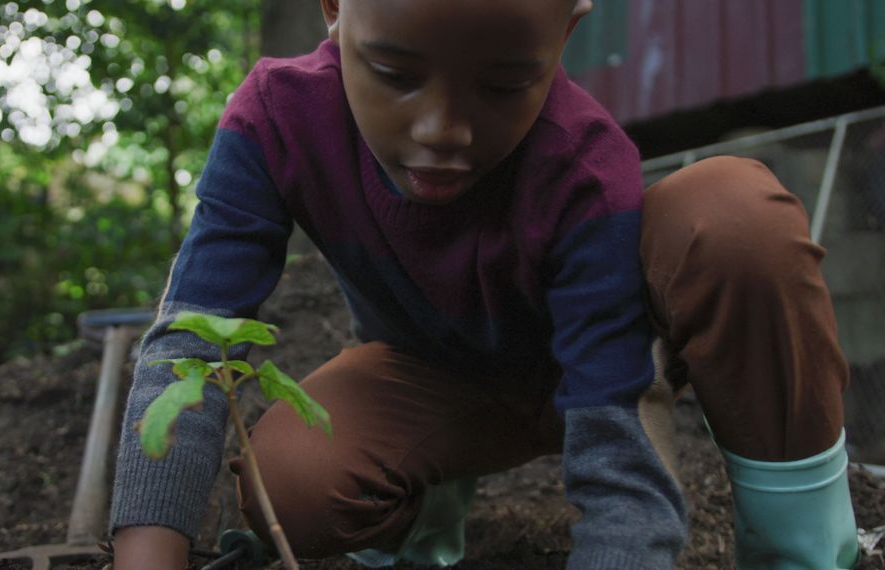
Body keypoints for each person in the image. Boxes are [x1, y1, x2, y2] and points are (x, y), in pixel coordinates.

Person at [108, 0, 860, 568]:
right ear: (334, 8)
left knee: (731, 216)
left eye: (503, 85)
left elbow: (619, 443)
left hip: (609, 370)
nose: (443, 130)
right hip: (432, 374)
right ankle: (425, 529)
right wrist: (147, 551)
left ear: (565, 34)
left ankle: (807, 551)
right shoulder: (277, 119)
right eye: (396, 75)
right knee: (296, 480)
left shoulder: (584, 166)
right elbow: (190, 339)